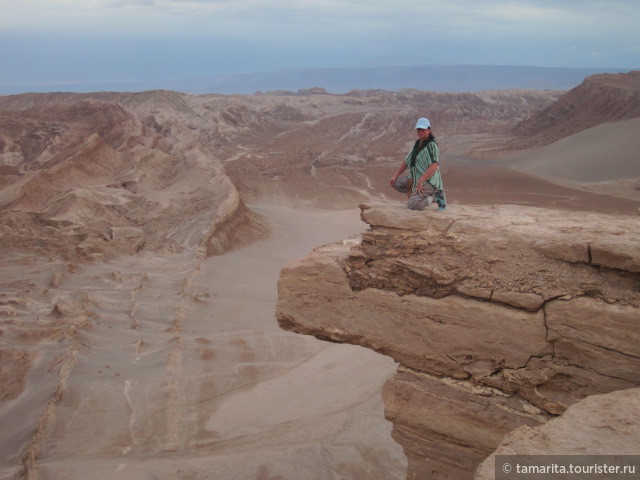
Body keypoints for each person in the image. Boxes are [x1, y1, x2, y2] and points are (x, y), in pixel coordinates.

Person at [390, 117, 446, 210]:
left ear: (429, 130)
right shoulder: (417, 143)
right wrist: (395, 175)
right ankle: (416, 195)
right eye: (419, 129)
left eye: (423, 129)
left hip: (428, 181)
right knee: (396, 183)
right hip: (416, 178)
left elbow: (434, 165)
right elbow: (407, 161)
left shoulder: (431, 145)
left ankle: (435, 197)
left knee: (412, 205)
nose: (421, 131)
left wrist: (421, 181)